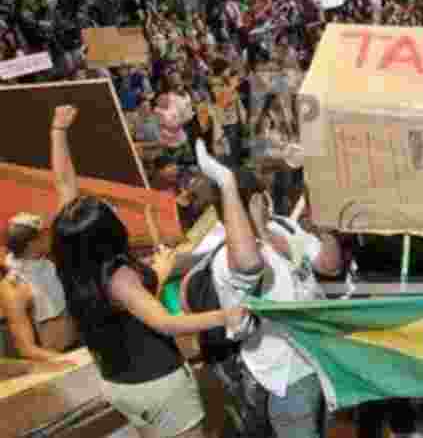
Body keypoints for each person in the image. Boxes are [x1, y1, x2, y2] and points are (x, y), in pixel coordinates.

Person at [49, 105, 247, 438]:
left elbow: (63, 183)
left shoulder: (72, 254)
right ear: (107, 235)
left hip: (118, 382)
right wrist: (226, 315)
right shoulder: (120, 278)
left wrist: (58, 131)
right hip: (157, 383)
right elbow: (166, 323)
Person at [193, 139, 347, 438]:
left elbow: (329, 266)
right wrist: (227, 185)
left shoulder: (283, 227)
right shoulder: (225, 255)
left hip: (322, 359)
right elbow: (250, 264)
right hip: (287, 376)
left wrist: (325, 226)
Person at [0, 212, 77, 362]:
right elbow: (26, 349)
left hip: (76, 350)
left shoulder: (51, 265)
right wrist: (71, 362)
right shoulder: (14, 288)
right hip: (50, 363)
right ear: (32, 243)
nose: (51, 238)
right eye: (45, 234)